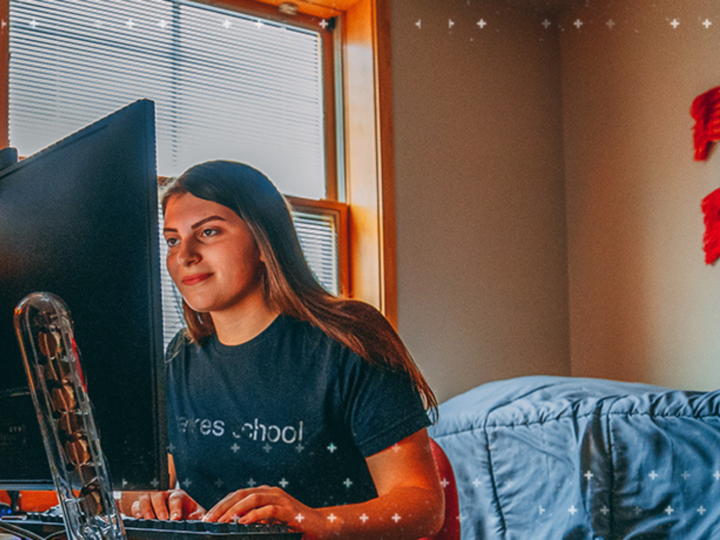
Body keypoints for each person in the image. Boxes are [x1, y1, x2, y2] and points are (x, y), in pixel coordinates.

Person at [121, 161, 444, 539]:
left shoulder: (349, 339)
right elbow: (151, 485)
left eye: (208, 232)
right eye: (173, 240)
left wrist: (317, 521)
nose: (184, 255)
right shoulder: (181, 355)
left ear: (264, 242)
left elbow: (423, 504)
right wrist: (153, 501)